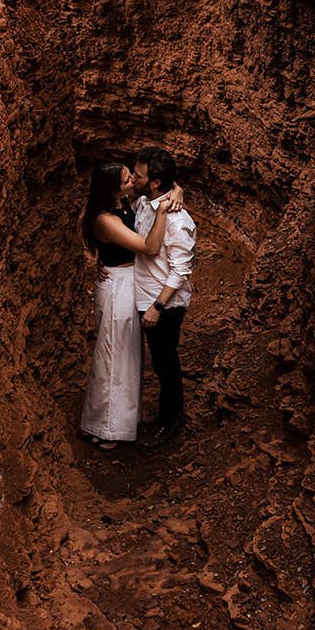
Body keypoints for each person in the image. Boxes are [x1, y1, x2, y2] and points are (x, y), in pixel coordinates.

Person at [79, 160, 176, 450]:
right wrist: (161, 213)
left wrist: (177, 192)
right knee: (114, 355)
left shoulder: (123, 204)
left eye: (131, 175)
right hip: (117, 287)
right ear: (112, 189)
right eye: (126, 179)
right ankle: (104, 428)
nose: (133, 180)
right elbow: (149, 247)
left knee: (128, 354)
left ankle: (117, 423)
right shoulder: (105, 219)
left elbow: (169, 183)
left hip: (126, 282)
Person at [132, 147, 196, 447]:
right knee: (160, 361)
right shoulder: (145, 202)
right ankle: (169, 415)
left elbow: (181, 268)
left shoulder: (177, 220)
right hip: (147, 297)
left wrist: (158, 306)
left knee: (165, 363)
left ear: (156, 182)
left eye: (140, 175)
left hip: (165, 305)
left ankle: (171, 420)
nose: (134, 178)